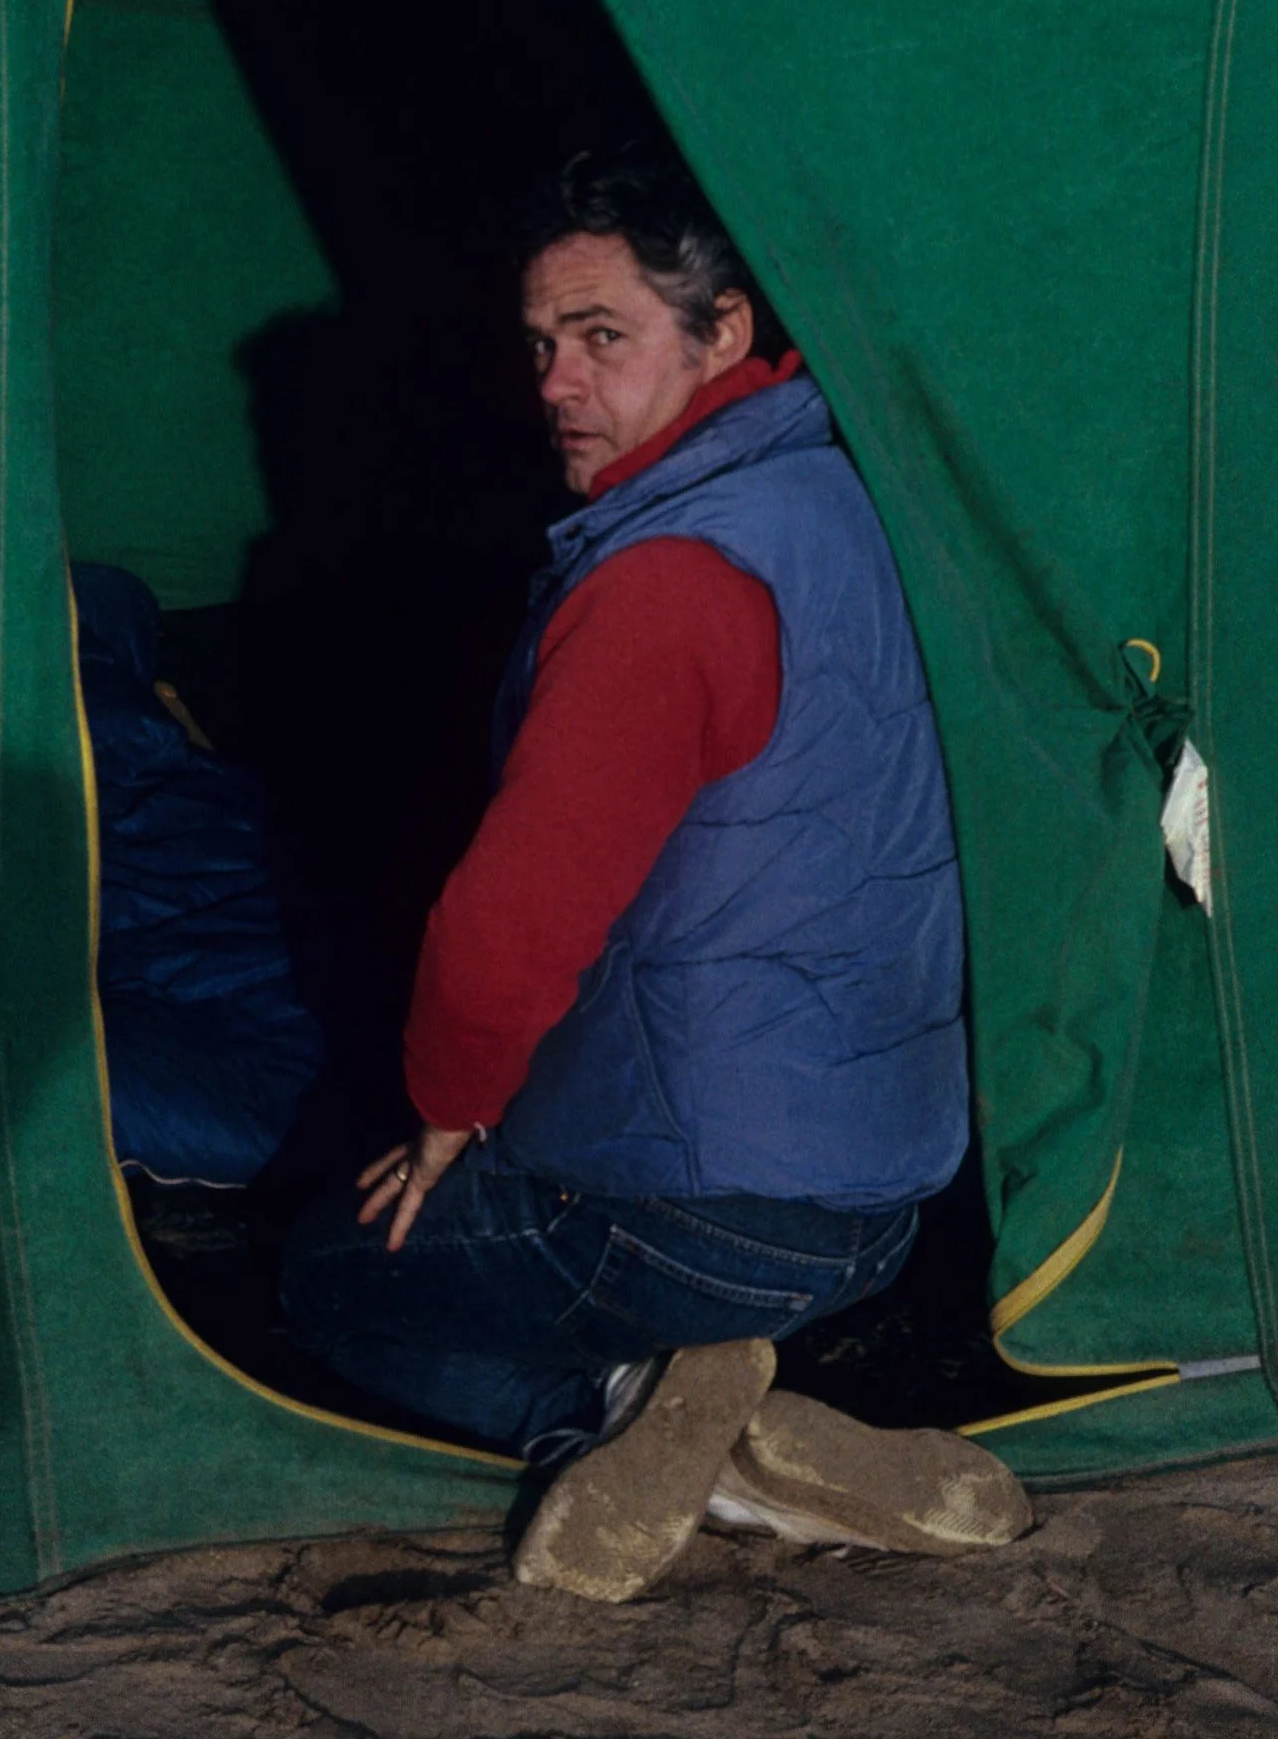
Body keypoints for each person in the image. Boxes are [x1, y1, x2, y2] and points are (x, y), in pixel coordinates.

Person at [282, 149, 1028, 1597]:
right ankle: (739, 1436)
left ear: (723, 332)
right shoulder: (846, 496)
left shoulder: (664, 586)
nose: (557, 384)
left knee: (330, 1277)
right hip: (883, 1202)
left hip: (700, 1221)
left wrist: (449, 1114)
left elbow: (503, 929)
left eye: (601, 337)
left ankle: (634, 1412)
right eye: (540, 346)